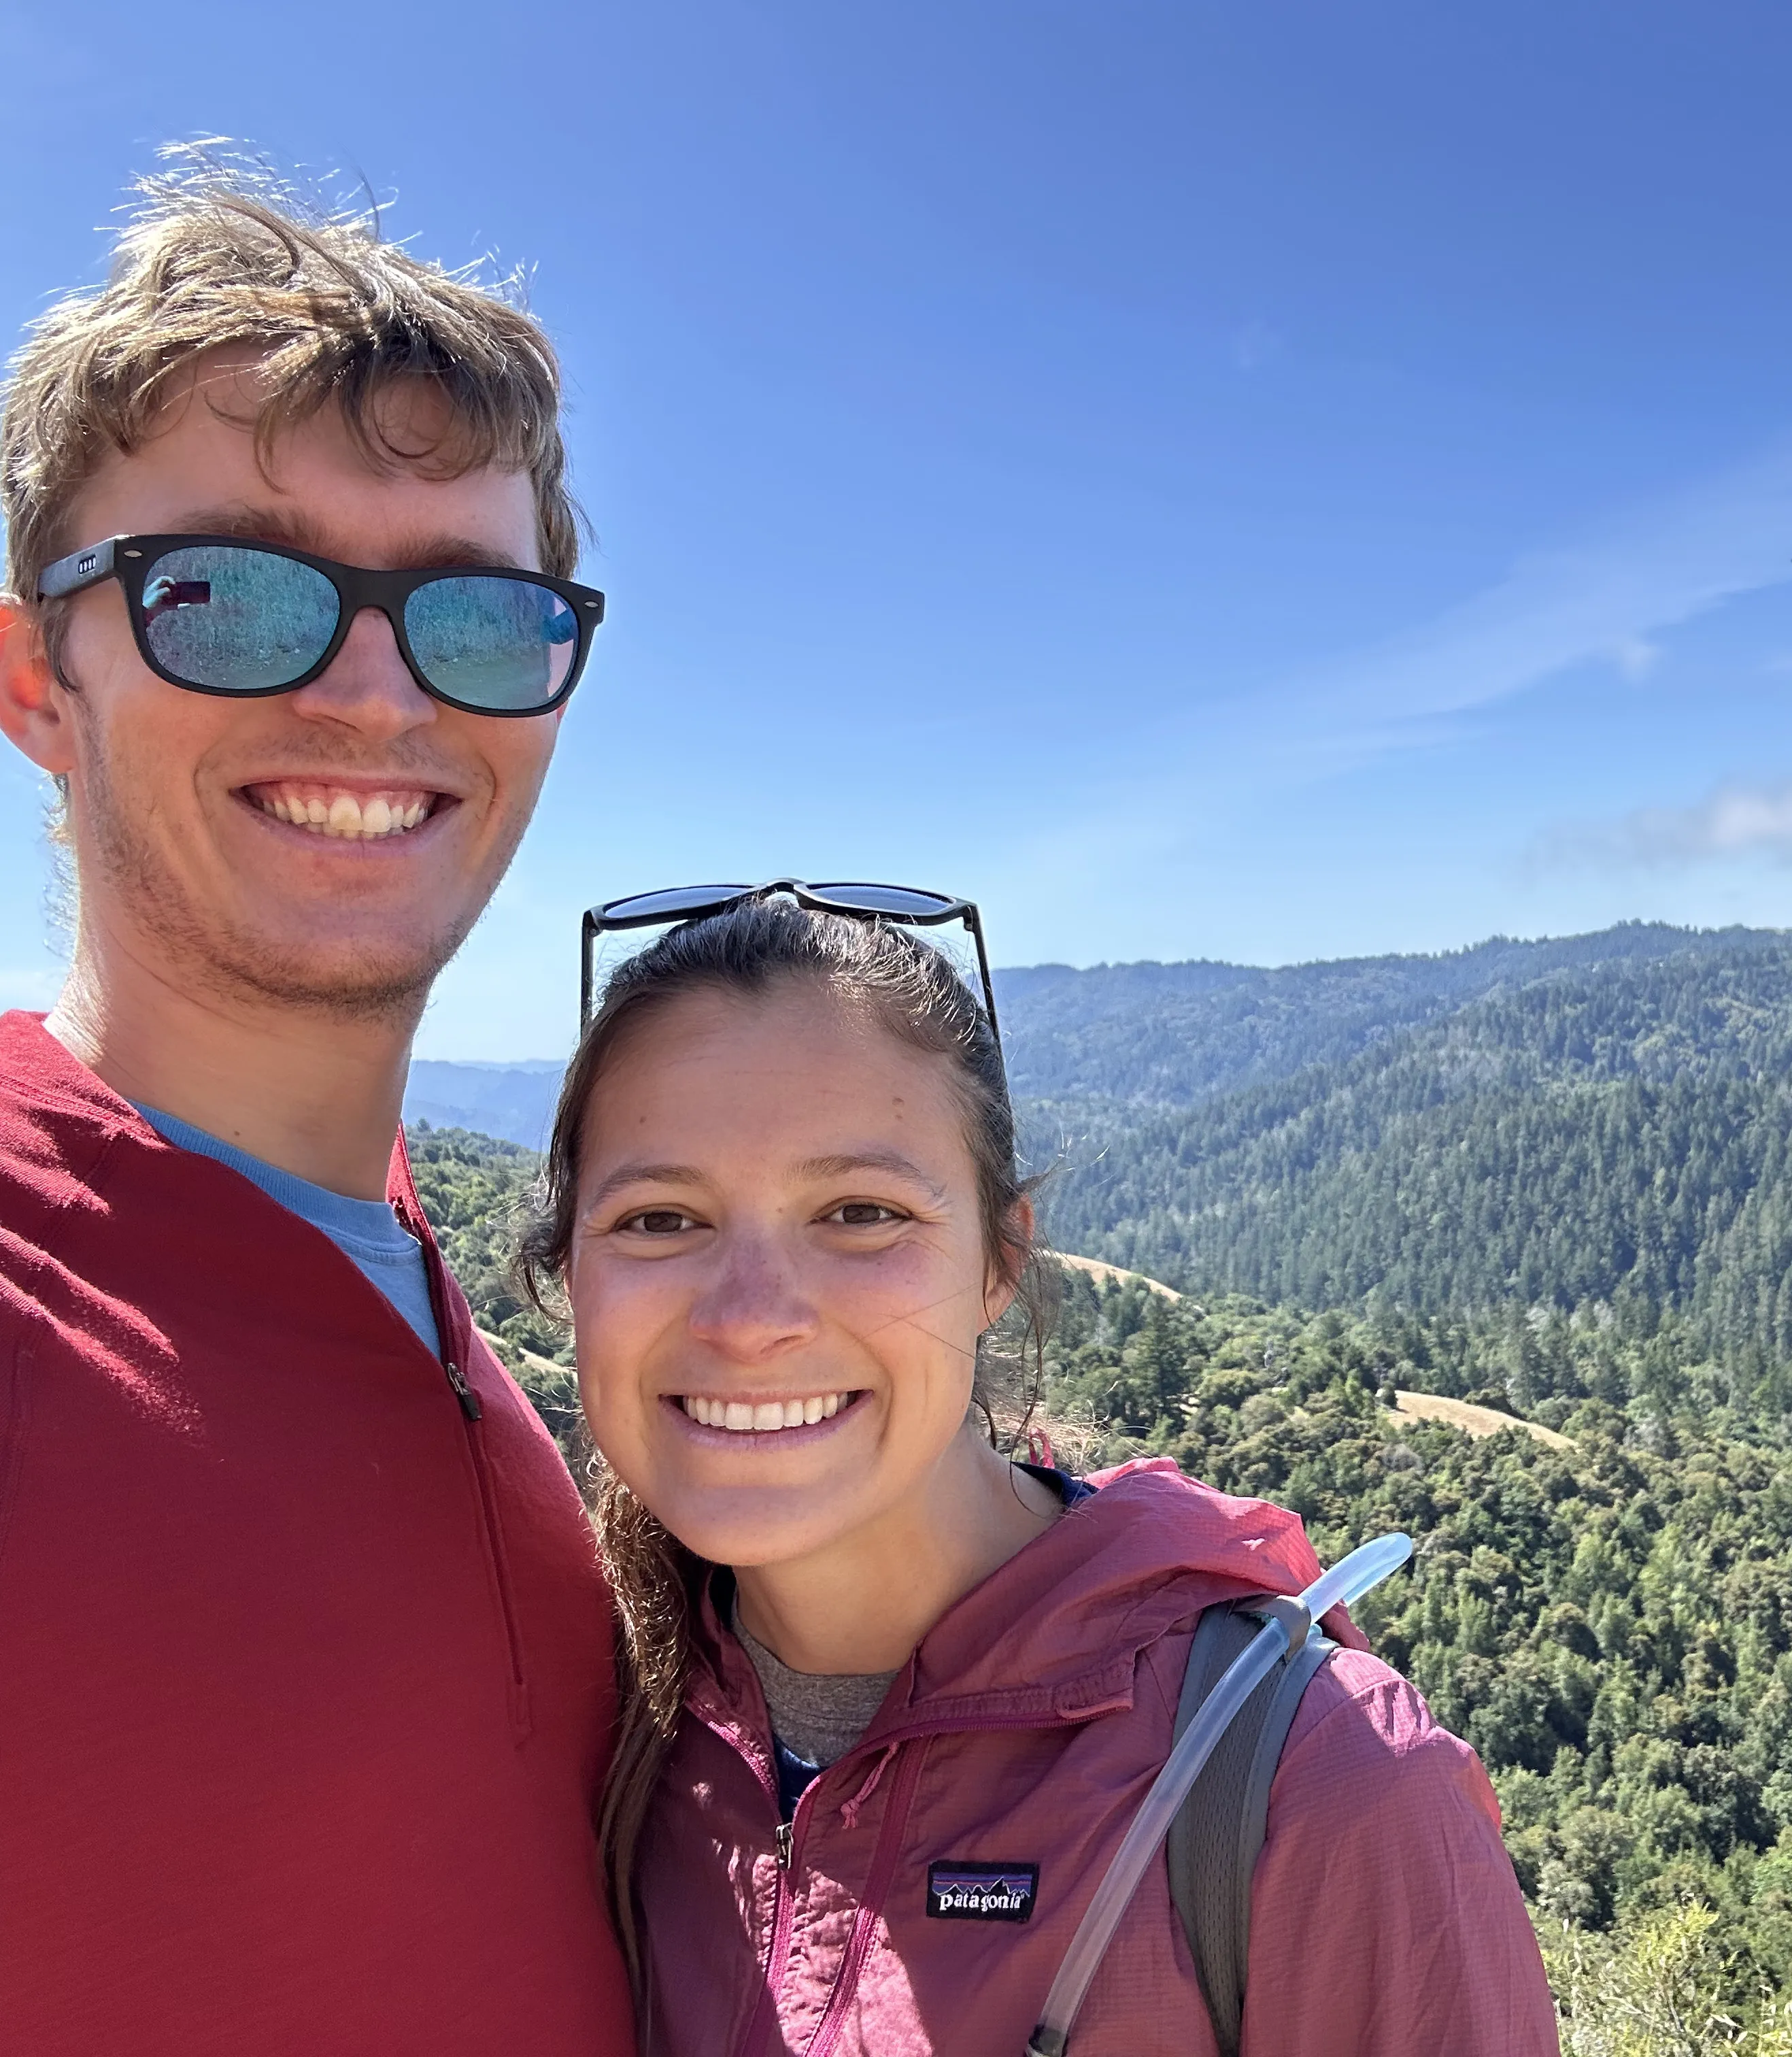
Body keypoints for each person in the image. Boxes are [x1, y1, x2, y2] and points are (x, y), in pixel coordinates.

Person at [520, 888, 1562, 2054]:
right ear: (569, 1271)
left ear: (998, 1263)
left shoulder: (1319, 1788)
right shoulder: (590, 1728)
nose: (752, 1317)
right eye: (660, 1221)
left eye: (860, 1212)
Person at [0, 159, 633, 2052]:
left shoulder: (448, 1325)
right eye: (226, 591)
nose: (374, 695)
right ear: (39, 677)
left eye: (477, 613)